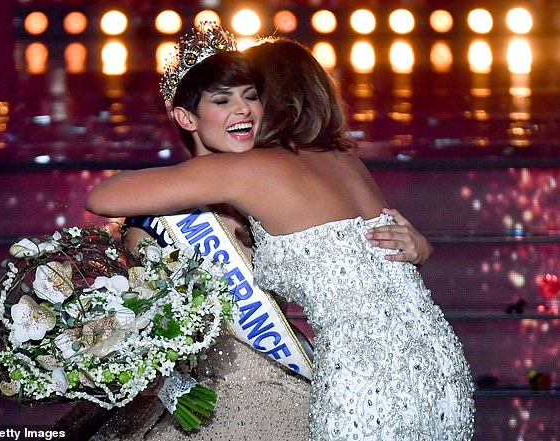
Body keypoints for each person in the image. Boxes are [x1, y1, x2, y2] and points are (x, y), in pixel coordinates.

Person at [87, 32, 467, 441]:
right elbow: (389, 254)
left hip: (364, 375)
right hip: (439, 364)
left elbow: (104, 195)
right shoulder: (346, 161)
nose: (244, 109)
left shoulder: (247, 170)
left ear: (274, 100)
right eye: (227, 98)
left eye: (252, 95)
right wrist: (421, 247)